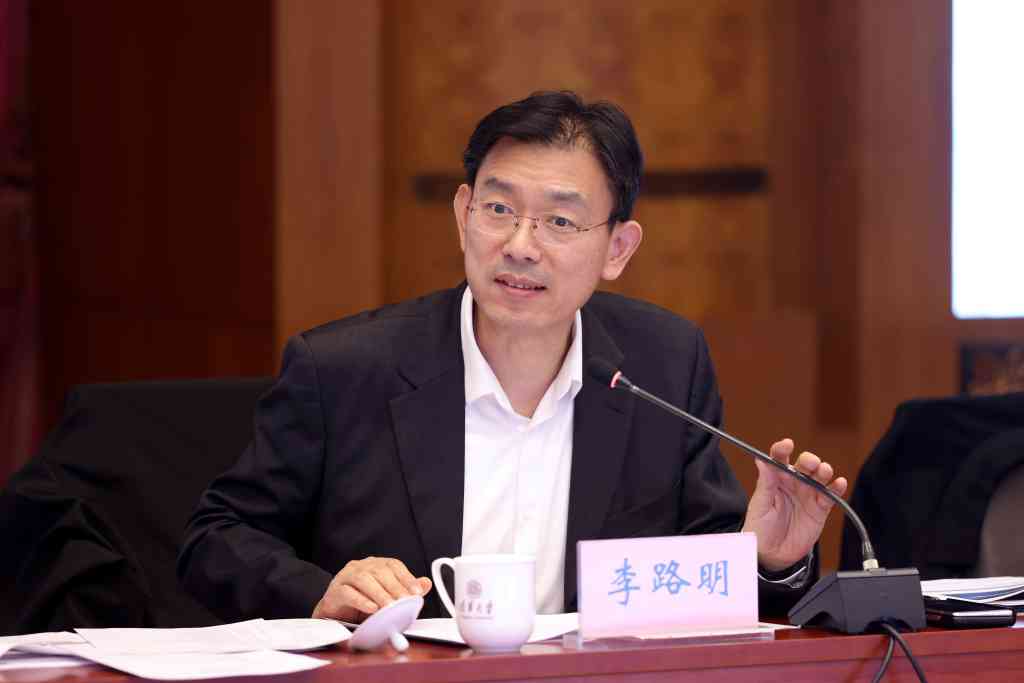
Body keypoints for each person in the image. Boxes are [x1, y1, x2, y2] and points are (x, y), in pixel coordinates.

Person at [178, 91, 847, 623]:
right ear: (463, 213)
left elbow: (707, 580)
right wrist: (320, 591)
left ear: (617, 249)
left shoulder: (662, 365)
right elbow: (214, 538)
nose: (521, 245)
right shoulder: (344, 369)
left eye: (559, 221)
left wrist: (769, 562)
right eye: (499, 208)